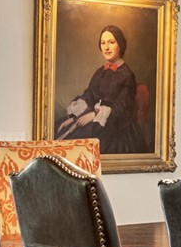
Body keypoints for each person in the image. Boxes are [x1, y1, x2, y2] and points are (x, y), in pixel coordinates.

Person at [56, 23, 147, 152]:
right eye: (103, 43)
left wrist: (94, 114)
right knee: (59, 127)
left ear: (120, 44)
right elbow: (90, 94)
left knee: (76, 142)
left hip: (114, 124)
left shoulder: (127, 75)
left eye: (111, 42)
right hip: (95, 117)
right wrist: (73, 117)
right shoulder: (100, 71)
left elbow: (121, 109)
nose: (106, 47)